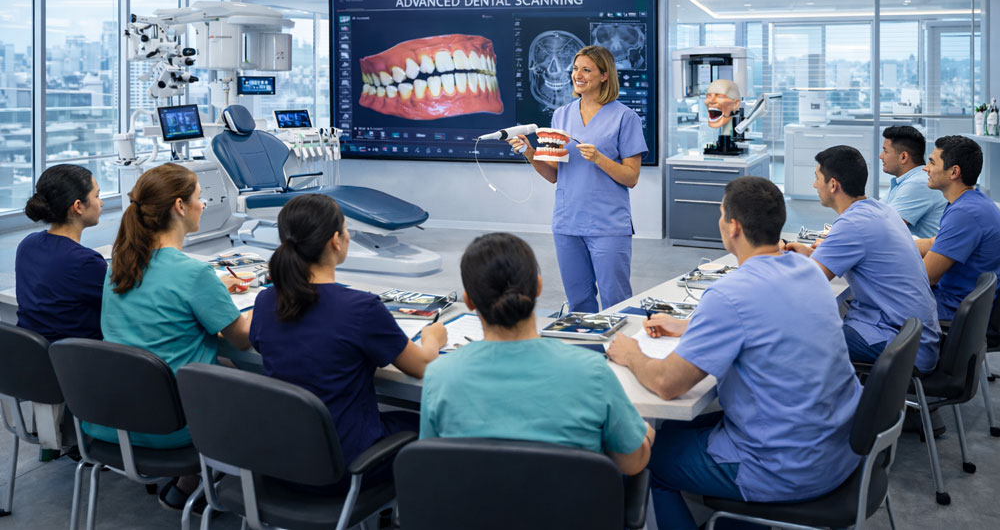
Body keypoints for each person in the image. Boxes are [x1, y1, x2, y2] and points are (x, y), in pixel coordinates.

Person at [607, 177, 861, 530]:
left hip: (785, 467)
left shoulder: (730, 294)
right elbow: (768, 320)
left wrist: (631, 353)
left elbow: (667, 384)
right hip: (837, 448)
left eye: (721, 214)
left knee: (640, 454)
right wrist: (693, 327)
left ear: (734, 227)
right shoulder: (808, 271)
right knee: (679, 431)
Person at [250, 193, 447, 493]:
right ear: (336, 241)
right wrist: (433, 339)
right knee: (431, 426)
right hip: (345, 468)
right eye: (345, 228)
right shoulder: (361, 309)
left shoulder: (266, 301)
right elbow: (420, 367)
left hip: (281, 460)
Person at [85, 163, 252, 511]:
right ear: (179, 206)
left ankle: (187, 486)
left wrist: (214, 291)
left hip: (112, 418)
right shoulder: (194, 273)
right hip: (174, 428)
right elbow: (241, 339)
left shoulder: (119, 263)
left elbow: (163, 297)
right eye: (199, 197)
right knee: (261, 390)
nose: (203, 204)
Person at [420, 232, 653, 476]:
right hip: (568, 513)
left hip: (471, 513)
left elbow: (432, 467)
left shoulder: (440, 376)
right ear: (538, 286)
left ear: (468, 301)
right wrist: (644, 432)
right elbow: (632, 463)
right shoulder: (591, 371)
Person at [509, 45, 647, 313]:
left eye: (587, 70)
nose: (577, 75)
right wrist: (529, 151)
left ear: (605, 75)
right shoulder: (561, 115)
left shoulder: (625, 117)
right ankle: (587, 352)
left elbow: (631, 177)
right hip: (567, 223)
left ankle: (620, 354)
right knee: (579, 302)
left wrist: (599, 159)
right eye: (575, 69)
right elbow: (552, 174)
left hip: (608, 225)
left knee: (616, 301)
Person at [783, 146, 940, 372]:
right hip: (913, 336)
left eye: (817, 178)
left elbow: (808, 283)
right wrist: (810, 255)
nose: (814, 185)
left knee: (792, 339)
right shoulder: (879, 210)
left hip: (899, 344)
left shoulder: (852, 224)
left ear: (833, 184)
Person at [16, 164, 106, 342]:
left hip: (34, 360)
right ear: (78, 206)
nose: (101, 202)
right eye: (97, 196)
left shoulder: (27, 245)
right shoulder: (86, 262)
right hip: (80, 361)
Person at [916, 135, 1000, 321]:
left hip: (950, 308)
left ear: (954, 172)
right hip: (956, 302)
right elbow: (934, 243)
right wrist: (893, 248)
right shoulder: (972, 201)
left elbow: (926, 277)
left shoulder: (965, 214)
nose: (925, 168)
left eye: (932, 163)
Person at [879, 125, 945, 238]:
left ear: (903, 157)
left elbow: (884, 227)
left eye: (885, 151)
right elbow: (876, 213)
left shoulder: (918, 183)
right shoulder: (904, 180)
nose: (881, 156)